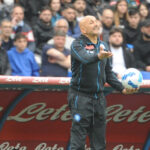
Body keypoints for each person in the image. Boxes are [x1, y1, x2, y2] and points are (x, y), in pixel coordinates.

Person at [68, 15, 138, 150]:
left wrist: (122, 88)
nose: (95, 24)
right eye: (91, 22)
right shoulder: (77, 44)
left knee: (99, 143)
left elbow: (108, 74)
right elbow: (86, 59)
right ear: (83, 29)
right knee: (78, 142)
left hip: (99, 98)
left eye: (96, 21)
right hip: (80, 97)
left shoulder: (103, 45)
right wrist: (98, 56)